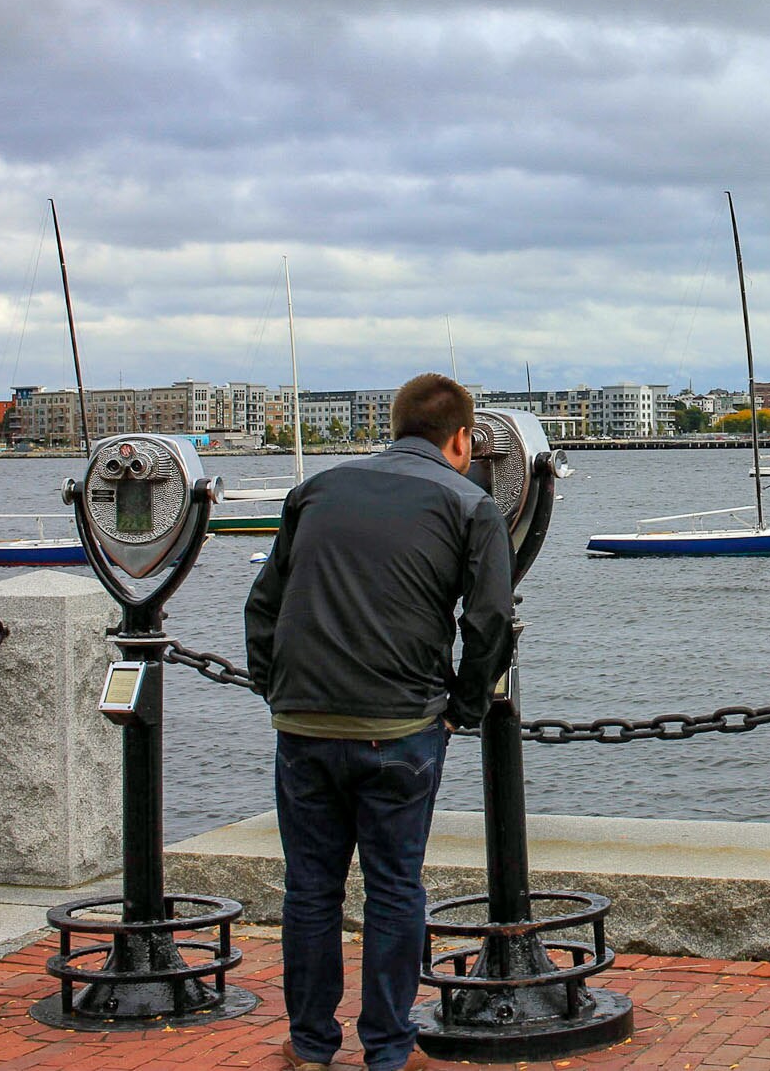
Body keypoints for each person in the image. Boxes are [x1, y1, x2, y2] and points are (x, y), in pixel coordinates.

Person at [245, 373, 515, 1071]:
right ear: (461, 438)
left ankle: (309, 1047)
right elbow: (488, 620)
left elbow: (262, 605)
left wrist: (277, 691)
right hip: (400, 727)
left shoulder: (316, 491)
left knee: (310, 887)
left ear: (394, 427)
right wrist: (464, 705)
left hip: (303, 725)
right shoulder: (470, 503)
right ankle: (389, 1050)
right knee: (395, 886)